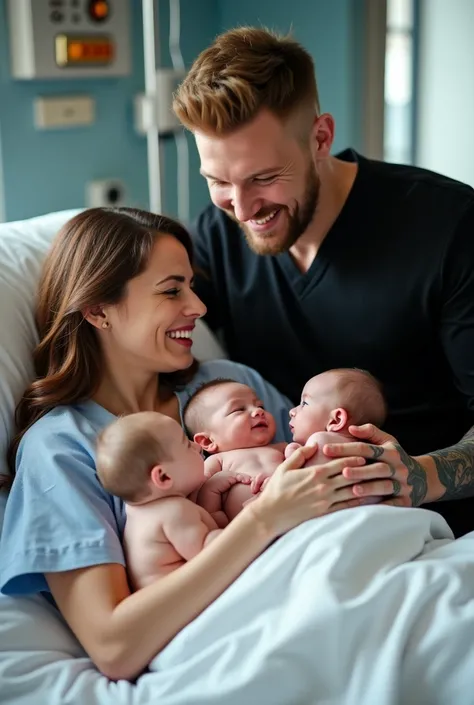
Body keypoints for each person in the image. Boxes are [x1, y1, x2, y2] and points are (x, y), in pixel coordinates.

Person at [0, 207, 372, 681]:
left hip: (339, 568)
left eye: (192, 286)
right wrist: (262, 519)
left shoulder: (229, 386)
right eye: (172, 290)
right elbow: (114, 646)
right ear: (98, 310)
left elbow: (326, 460)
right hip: (257, 628)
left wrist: (371, 457)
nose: (197, 307)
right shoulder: (61, 447)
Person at [172, 26, 474, 536]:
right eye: (219, 181)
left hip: (430, 528)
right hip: (288, 529)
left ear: (320, 138)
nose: (242, 209)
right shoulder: (215, 236)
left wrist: (418, 477)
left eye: (264, 178)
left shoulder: (449, 225)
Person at [96, 411, 254, 590]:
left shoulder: (139, 513)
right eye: (186, 444)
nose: (197, 446)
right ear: (163, 476)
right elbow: (213, 553)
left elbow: (201, 533)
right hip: (194, 605)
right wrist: (250, 517)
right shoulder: (175, 512)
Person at [184, 378, 287, 523]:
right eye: (239, 409)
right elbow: (198, 500)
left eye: (261, 406)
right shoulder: (218, 461)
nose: (258, 411)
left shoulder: (284, 448)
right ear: (208, 441)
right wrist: (218, 517)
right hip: (252, 526)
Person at [287, 368, 387, 461]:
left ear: (336, 420)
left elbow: (296, 476)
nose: (292, 411)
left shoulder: (321, 440)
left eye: (304, 403)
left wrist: (291, 453)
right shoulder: (368, 454)